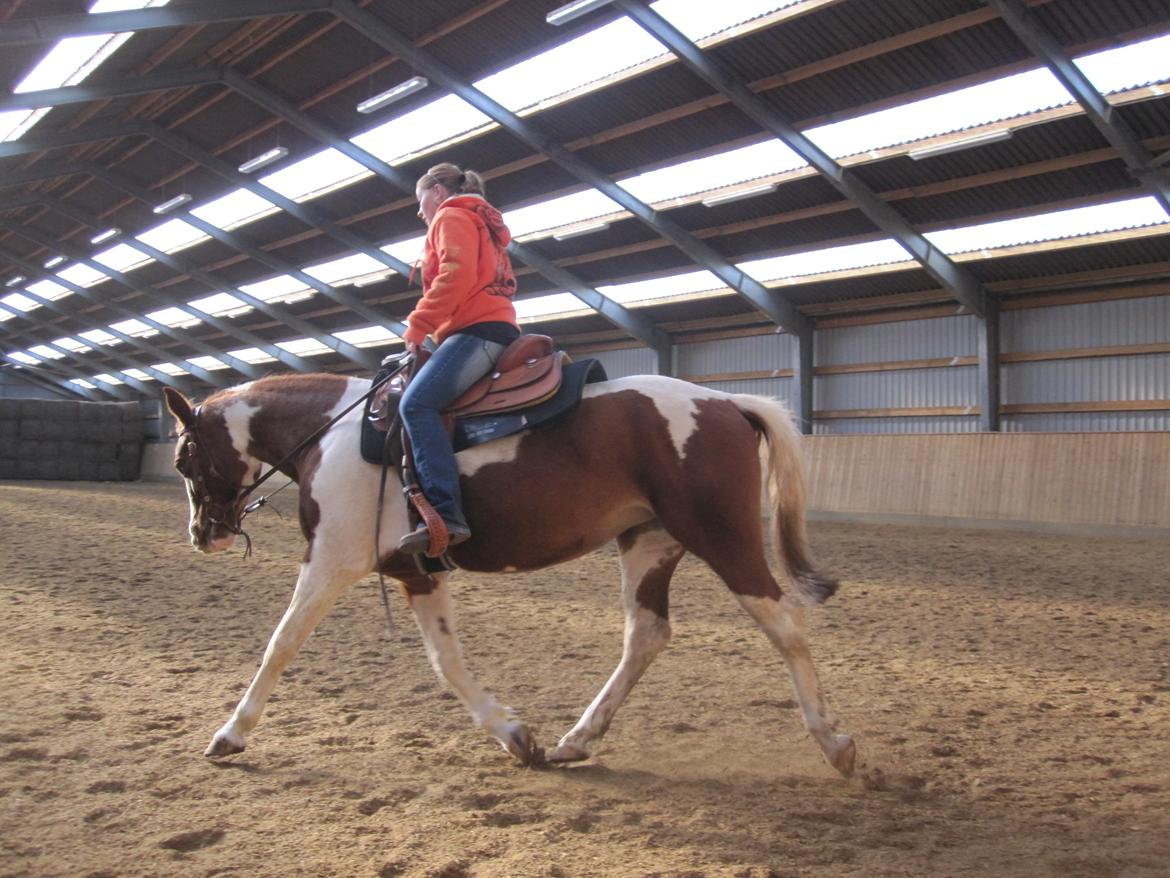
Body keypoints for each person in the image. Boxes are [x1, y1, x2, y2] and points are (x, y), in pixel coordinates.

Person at [396, 162, 520, 555]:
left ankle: (444, 515)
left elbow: (456, 275)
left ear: (435, 191)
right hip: (486, 325)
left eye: (420, 202)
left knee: (416, 405)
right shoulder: (483, 222)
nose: (419, 212)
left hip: (476, 330)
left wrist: (417, 325)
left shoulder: (451, 215)